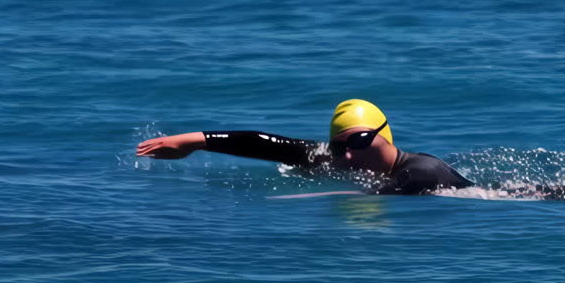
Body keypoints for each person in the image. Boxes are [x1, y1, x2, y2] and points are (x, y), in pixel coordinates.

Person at [136, 99, 474, 195]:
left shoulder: (424, 172)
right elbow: (264, 144)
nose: (350, 154)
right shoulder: (338, 159)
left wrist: (312, 196)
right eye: (339, 147)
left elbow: (389, 192)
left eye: (359, 140)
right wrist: (191, 142)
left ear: (385, 135)